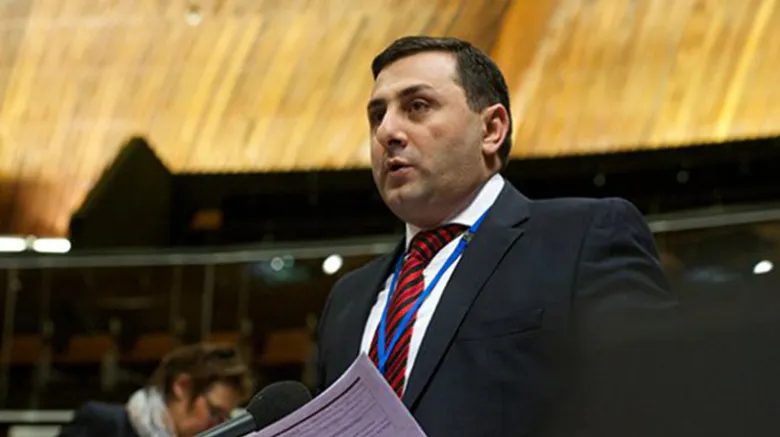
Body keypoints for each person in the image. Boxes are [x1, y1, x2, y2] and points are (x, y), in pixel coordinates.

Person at [316, 36, 683, 436]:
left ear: (491, 129)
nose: (387, 131)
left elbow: (655, 407)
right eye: (377, 115)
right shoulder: (346, 300)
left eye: (417, 106)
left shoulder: (583, 238)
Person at [56, 342, 254, 437]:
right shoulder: (101, 425)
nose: (218, 426)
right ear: (182, 386)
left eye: (225, 419)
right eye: (215, 413)